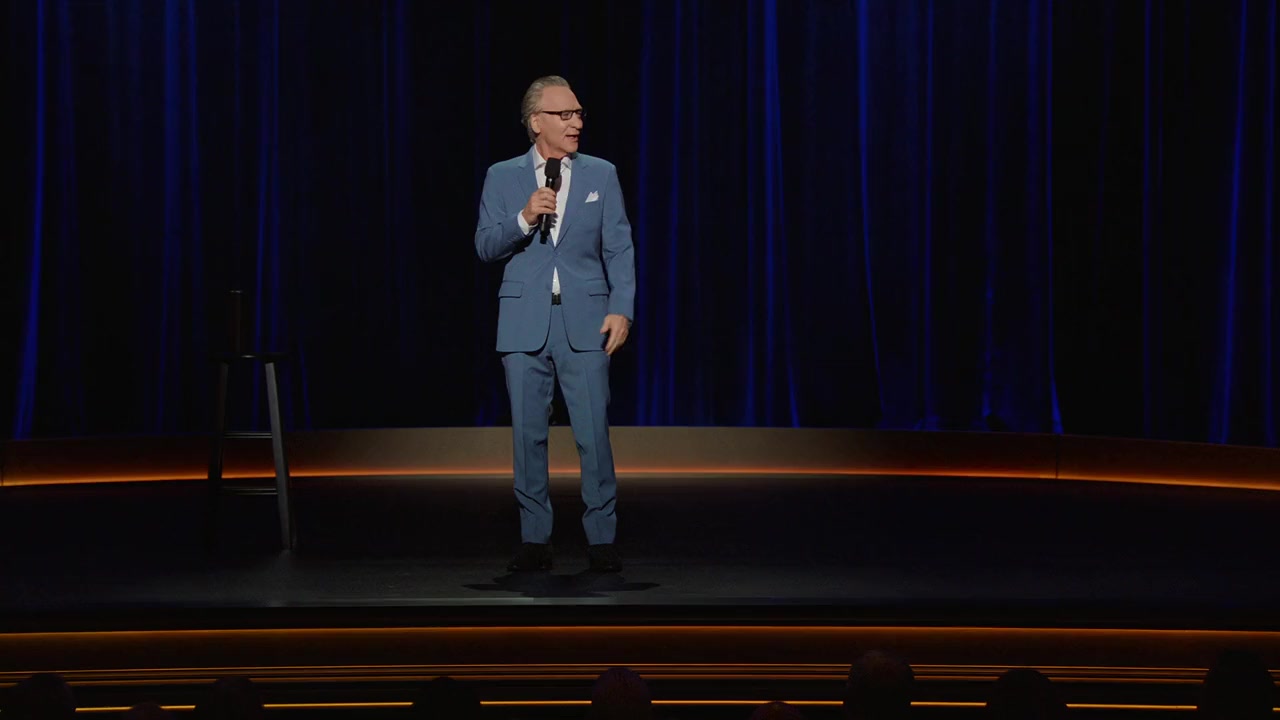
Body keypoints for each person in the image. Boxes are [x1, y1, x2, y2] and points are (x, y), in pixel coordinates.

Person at [475, 75, 636, 573]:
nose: (575, 123)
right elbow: (485, 246)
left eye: (579, 113)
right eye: (564, 115)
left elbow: (619, 246)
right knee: (528, 437)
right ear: (535, 122)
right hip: (524, 322)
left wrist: (621, 307)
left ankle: (602, 539)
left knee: (593, 435)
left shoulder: (601, 174)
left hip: (586, 322)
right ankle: (534, 539)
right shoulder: (502, 176)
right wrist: (525, 217)